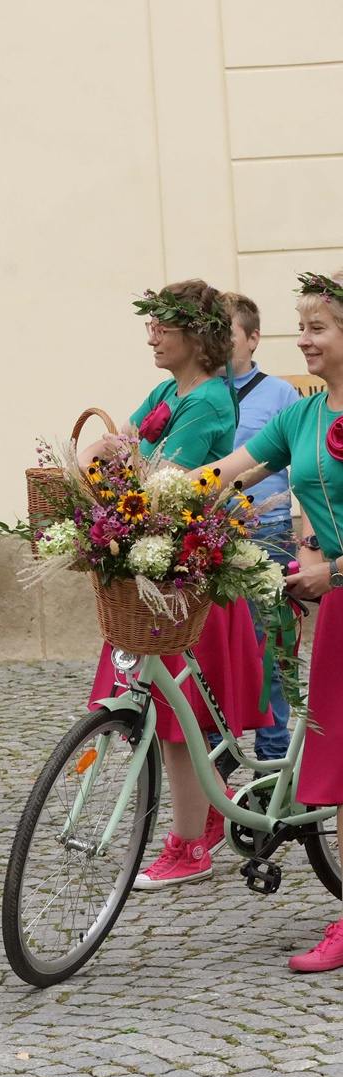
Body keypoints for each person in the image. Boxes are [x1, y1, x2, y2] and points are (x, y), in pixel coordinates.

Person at [81, 279, 266, 888]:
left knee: (181, 721)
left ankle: (190, 844)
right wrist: (111, 448)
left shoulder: (209, 399)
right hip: (159, 567)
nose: (152, 333)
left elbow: (164, 481)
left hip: (183, 577)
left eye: (164, 324)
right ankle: (198, 821)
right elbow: (128, 441)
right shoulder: (168, 389)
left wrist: (119, 458)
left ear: (199, 335)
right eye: (152, 323)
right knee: (171, 718)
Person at [202, 269, 343, 969]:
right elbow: (229, 471)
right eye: (303, 326)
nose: (303, 340)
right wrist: (151, 500)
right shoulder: (306, 415)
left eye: (317, 328)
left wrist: (333, 567)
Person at [213, 292, 300, 768]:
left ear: (253, 338)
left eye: (227, 334)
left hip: (266, 535)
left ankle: (273, 752)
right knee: (218, 651)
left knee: (268, 648)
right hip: (208, 538)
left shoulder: (282, 394)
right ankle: (219, 752)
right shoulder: (202, 392)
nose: (219, 344)